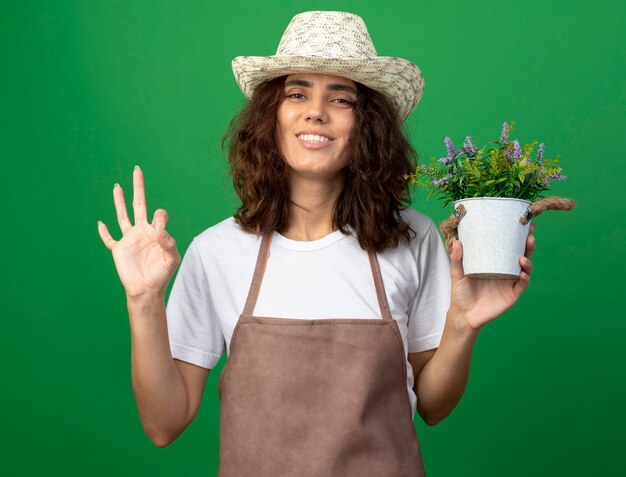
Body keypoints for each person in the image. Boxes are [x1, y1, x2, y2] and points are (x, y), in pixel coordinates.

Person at [97, 11, 536, 477]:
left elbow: (433, 406)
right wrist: (143, 300)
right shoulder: (217, 251)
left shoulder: (415, 238)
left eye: (340, 98)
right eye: (297, 93)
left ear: (366, 125)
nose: (315, 111)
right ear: (272, 115)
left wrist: (463, 324)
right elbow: (164, 424)